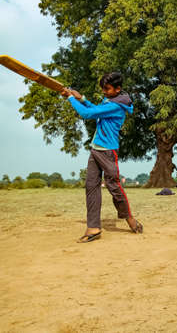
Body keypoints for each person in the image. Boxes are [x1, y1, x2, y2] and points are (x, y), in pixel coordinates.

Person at [61, 72, 143, 243]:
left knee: (114, 186)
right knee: (91, 186)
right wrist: (81, 98)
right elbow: (94, 109)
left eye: (107, 89)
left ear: (117, 89)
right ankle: (93, 228)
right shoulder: (110, 100)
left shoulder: (117, 106)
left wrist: (71, 98)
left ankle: (129, 218)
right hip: (95, 149)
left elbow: (88, 114)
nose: (104, 92)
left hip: (107, 151)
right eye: (103, 89)